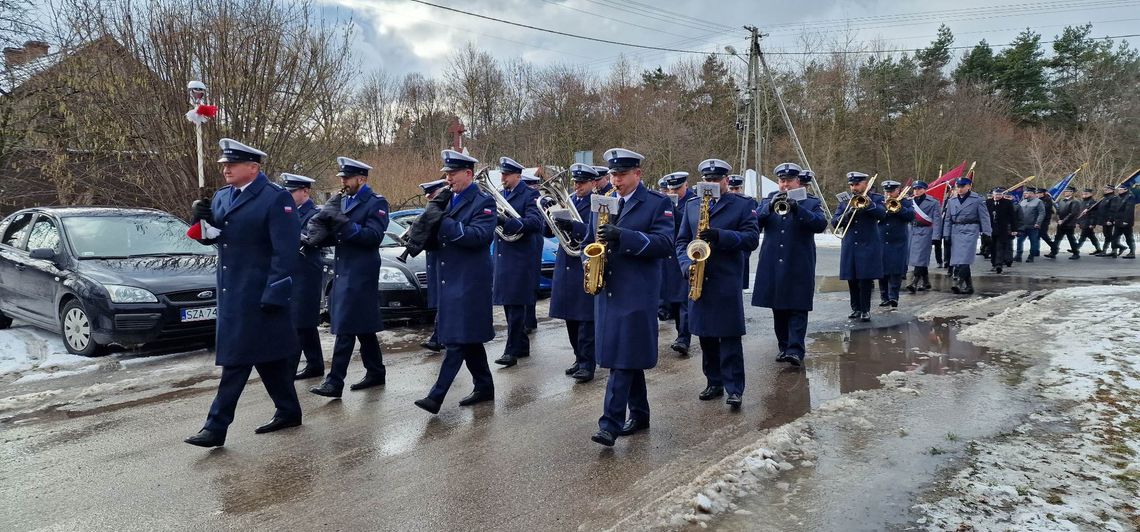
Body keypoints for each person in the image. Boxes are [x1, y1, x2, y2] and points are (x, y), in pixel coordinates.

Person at [184, 138, 302, 447]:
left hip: (259, 293)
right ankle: (289, 410)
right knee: (267, 359)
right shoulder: (223, 197)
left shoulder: (275, 199)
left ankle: (216, 426)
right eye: (224, 165)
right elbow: (213, 238)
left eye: (231, 165)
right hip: (231, 291)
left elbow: (286, 250)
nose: (225, 169)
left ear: (253, 167)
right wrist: (201, 218)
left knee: (237, 360)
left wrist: (276, 291)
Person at [585, 148, 674, 447]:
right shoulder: (603, 201)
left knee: (621, 359)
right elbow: (590, 241)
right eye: (612, 175)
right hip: (608, 290)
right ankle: (640, 413)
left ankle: (609, 424)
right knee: (625, 354)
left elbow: (664, 244)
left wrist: (624, 236)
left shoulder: (657, 203)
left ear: (638, 174)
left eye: (621, 175)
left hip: (637, 291)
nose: (615, 180)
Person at [414, 150, 497, 414]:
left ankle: (436, 397)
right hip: (450, 280)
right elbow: (436, 239)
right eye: (446, 174)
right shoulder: (447, 199)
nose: (448, 179)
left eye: (452, 174)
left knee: (457, 341)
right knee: (469, 339)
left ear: (468, 174)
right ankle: (485, 387)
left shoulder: (483, 202)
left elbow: (478, 237)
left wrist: (444, 221)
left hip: (470, 282)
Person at [677, 159, 759, 408]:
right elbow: (681, 241)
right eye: (707, 180)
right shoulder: (692, 205)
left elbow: (752, 238)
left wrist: (722, 236)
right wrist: (685, 265)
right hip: (698, 277)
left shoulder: (743, 205)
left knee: (729, 336)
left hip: (725, 278)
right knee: (705, 335)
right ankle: (713, 382)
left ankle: (734, 388)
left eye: (716, 179)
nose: (711, 183)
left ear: (725, 180)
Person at [308, 157, 390, 398]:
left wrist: (343, 224)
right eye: (341, 177)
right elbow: (338, 234)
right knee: (362, 326)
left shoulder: (376, 203)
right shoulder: (343, 201)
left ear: (361, 179)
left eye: (347, 178)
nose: (343, 182)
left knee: (346, 325)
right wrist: (319, 236)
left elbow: (373, 237)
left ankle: (335, 382)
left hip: (362, 271)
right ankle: (376, 371)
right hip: (344, 268)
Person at [752, 162, 828, 367]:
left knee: (798, 307)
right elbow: (754, 224)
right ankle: (784, 346)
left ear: (797, 181)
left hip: (798, 262)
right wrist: (768, 207)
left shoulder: (810, 202)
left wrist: (798, 210)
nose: (785, 185)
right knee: (778, 307)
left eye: (789, 181)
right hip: (773, 262)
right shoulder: (769, 200)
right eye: (781, 181)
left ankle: (795, 349)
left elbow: (820, 225)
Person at [491, 157, 545, 368]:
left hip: (521, 258)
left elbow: (535, 222)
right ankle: (522, 345)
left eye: (506, 175)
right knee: (508, 303)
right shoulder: (501, 195)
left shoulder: (530, 195)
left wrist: (509, 222)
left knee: (515, 306)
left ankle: (511, 350)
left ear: (517, 176)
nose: (503, 178)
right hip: (504, 256)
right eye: (502, 174)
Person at [549, 163, 599, 382]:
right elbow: (547, 231)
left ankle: (588, 363)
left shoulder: (598, 205)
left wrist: (572, 227)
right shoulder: (567, 200)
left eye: (582, 183)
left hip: (584, 264)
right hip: (566, 264)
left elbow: (596, 232)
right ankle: (579, 358)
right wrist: (550, 217)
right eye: (576, 182)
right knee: (570, 317)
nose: (577, 186)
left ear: (593, 183)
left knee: (586, 319)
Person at [281, 173, 325, 380]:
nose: (288, 196)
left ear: (305, 191)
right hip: (291, 271)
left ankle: (288, 370)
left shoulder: (315, 214)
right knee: (305, 323)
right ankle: (315, 363)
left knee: (299, 321)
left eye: (292, 192)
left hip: (306, 272)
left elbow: (312, 239)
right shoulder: (287, 212)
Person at [833, 172, 884, 323]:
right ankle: (855, 308)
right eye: (851, 185)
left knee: (865, 279)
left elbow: (882, 214)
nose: (853, 188)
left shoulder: (876, 198)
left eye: (856, 184)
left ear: (865, 184)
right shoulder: (845, 201)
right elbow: (835, 222)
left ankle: (865, 310)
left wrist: (869, 205)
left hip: (867, 244)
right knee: (852, 278)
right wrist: (847, 214)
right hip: (850, 244)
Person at [657, 171, 693, 356]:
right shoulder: (662, 202)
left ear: (686, 185)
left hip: (685, 255)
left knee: (684, 299)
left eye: (677, 188)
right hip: (667, 257)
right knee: (670, 296)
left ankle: (683, 338)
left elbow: (688, 227)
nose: (673, 191)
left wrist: (675, 211)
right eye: (670, 188)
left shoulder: (694, 201)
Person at [943, 176, 992, 294]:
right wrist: (946, 234)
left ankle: (959, 282)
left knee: (964, 258)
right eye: (957, 187)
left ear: (969, 186)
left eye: (962, 186)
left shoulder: (977, 199)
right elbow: (948, 219)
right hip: (956, 230)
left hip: (970, 229)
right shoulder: (952, 201)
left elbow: (984, 217)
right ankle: (969, 286)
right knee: (959, 259)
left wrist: (987, 233)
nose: (959, 189)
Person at [418, 179, 450, 353]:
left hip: (442, 259)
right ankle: (439, 337)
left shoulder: (444, 207)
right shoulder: (433, 207)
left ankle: (438, 337)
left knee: (444, 302)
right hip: (434, 260)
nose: (429, 198)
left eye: (432, 194)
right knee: (441, 302)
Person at [878, 181, 912, 308]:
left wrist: (898, 208)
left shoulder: (905, 202)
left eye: (891, 191)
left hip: (898, 241)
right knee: (882, 270)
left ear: (898, 191)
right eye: (887, 191)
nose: (889, 194)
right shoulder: (880, 202)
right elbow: (876, 216)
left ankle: (894, 297)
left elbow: (910, 216)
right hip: (882, 240)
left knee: (896, 270)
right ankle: (884, 297)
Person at [906, 181, 940, 292]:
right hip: (912, 231)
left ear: (925, 189)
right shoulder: (909, 201)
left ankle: (914, 282)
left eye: (919, 189)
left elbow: (937, 220)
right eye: (915, 189)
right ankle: (926, 282)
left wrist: (936, 236)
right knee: (920, 258)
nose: (916, 191)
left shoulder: (933, 202)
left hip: (925, 231)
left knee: (920, 257)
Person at [521, 169, 543, 332]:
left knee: (529, 283)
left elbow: (536, 223)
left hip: (532, 244)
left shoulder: (532, 197)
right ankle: (528, 319)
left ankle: (529, 319)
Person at [728, 173, 757, 290]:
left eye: (737, 188)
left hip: (741, 250)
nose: (735, 191)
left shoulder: (747, 203)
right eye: (732, 189)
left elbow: (753, 229)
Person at [1045, 186, 1081, 260]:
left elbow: (1072, 213)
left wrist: (1063, 221)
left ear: (1071, 192)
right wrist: (1058, 219)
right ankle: (1053, 252)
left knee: (1071, 238)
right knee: (1057, 238)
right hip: (1060, 223)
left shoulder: (1075, 201)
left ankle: (1076, 253)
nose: (1065, 192)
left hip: (1069, 224)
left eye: (1067, 191)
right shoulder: (1061, 200)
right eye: (1065, 191)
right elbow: (1058, 211)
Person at [986, 187, 1017, 273]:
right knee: (992, 247)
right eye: (996, 194)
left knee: (1000, 246)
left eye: (1000, 194)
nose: (998, 196)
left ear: (1002, 195)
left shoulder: (1007, 203)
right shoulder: (988, 202)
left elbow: (1012, 217)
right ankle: (994, 263)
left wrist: (1014, 229)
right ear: (993, 194)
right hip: (990, 228)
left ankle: (999, 264)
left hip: (1002, 228)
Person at [1014, 188, 1044, 263]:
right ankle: (1018, 255)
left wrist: (1038, 223)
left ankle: (1031, 256)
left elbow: (1042, 213)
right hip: (1022, 226)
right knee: (1019, 240)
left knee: (1033, 241)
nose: (1025, 194)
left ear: (1032, 194)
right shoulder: (1022, 202)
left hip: (1033, 226)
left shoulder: (1038, 202)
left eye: (1026, 193)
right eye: (1025, 193)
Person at [1110, 184, 1136, 258]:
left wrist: (1126, 221)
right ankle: (1121, 247)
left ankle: (1132, 252)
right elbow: (1115, 210)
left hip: (1126, 222)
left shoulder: (1130, 197)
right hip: (1118, 221)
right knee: (1114, 238)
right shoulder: (1118, 197)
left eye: (1121, 189)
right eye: (1119, 189)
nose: (1119, 191)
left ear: (1126, 189)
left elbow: (1129, 210)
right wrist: (1113, 219)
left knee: (1129, 237)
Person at [1094, 184, 1120, 257]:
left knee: (1109, 235)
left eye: (1106, 189)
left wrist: (1110, 220)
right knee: (1107, 235)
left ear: (1111, 190)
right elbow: (1098, 207)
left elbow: (1113, 210)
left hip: (1109, 220)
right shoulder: (1105, 198)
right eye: (1105, 189)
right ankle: (1108, 251)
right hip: (1104, 220)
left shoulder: (1114, 198)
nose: (1105, 190)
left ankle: (1112, 250)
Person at [1075, 188, 1102, 255]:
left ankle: (1075, 248)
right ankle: (1098, 249)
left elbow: (1094, 214)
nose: (1084, 195)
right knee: (1092, 237)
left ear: (1090, 194)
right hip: (1083, 222)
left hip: (1088, 222)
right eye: (1083, 194)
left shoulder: (1093, 203)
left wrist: (1092, 223)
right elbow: (1080, 213)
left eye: (1086, 194)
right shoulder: (1082, 202)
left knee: (1083, 236)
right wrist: (1078, 222)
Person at [1038, 188, 1056, 254]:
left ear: (1044, 193)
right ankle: (1036, 251)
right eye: (1038, 193)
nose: (1038, 194)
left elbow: (1045, 209)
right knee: (1038, 236)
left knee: (1043, 235)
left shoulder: (1047, 199)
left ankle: (1054, 247)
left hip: (1045, 220)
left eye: (1040, 193)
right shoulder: (1039, 200)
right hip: (1039, 220)